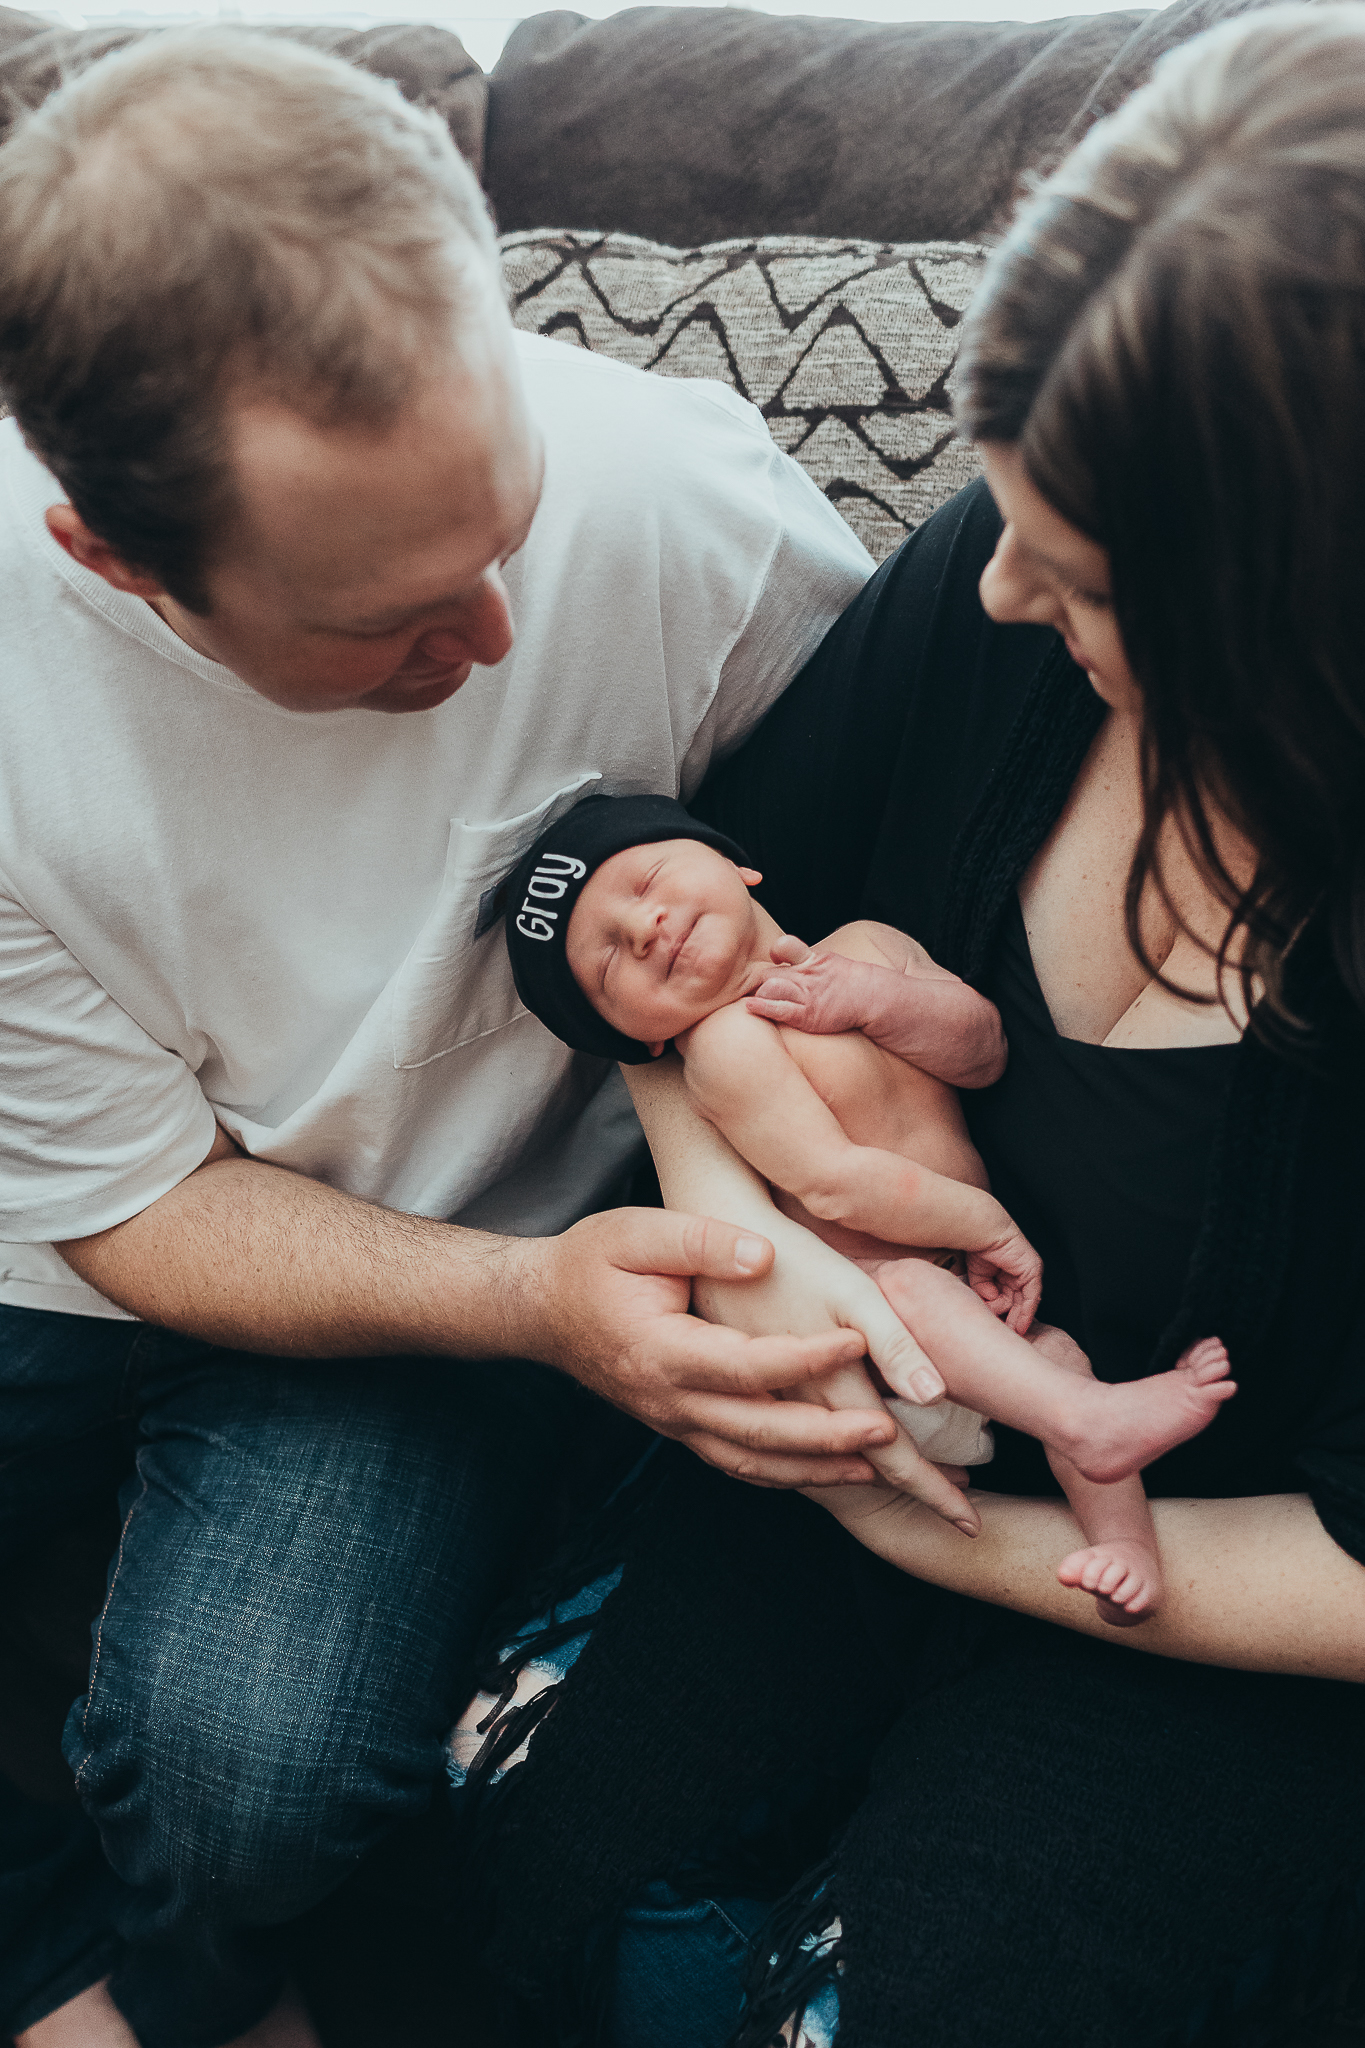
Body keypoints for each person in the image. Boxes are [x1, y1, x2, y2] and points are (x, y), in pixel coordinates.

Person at [0, 27, 976, 2048]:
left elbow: (870, 875)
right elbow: (140, 1213)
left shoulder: (665, 495)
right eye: (390, 622)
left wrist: (725, 1042)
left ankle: (180, 1977)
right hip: (102, 1223)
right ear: (112, 551)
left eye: (498, 535)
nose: (496, 644)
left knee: (256, 1772)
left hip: (437, 1267)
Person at [454, 12, 1365, 2045]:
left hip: (1215, 1596)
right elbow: (663, 912)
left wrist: (920, 1515)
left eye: (1090, 571)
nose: (1000, 585)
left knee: (900, 2000)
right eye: (999, 497)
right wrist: (761, 1239)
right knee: (532, 1829)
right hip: (875, 1412)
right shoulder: (991, 587)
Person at [502, 789, 1237, 1618]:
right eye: (606, 964)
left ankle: (1122, 1546)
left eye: (650, 880)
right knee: (923, 1298)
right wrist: (985, 1225)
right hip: (872, 1346)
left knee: (1057, 1357)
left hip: (969, 1312)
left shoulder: (868, 948)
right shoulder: (727, 1044)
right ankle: (1086, 1422)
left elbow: (984, 1050)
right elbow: (830, 1182)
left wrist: (875, 999)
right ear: (642, 1041)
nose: (644, 929)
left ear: (738, 867)